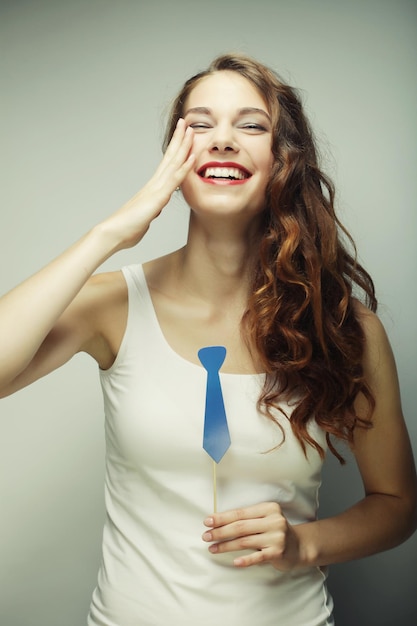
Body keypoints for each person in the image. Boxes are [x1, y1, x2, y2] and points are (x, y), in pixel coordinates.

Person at [0, 53, 416, 626]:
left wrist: (305, 544)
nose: (222, 140)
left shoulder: (343, 325)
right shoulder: (113, 305)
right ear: (175, 157)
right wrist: (111, 233)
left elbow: (396, 506)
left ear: (284, 161)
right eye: (199, 124)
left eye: (251, 125)